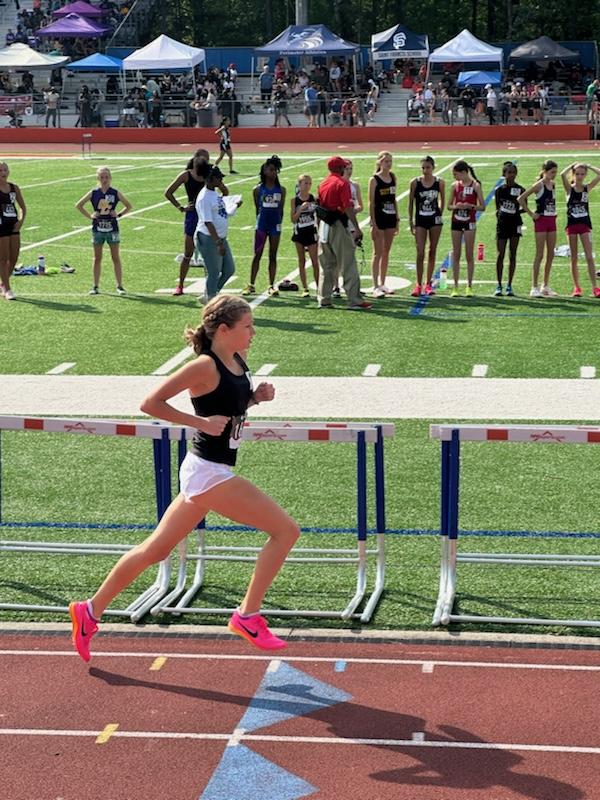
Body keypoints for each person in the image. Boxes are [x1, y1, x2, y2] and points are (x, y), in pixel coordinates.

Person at [69, 295, 300, 661]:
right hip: (208, 472)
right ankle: (247, 616)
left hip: (208, 470)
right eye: (247, 326)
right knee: (286, 531)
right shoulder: (204, 366)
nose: (253, 332)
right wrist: (199, 423)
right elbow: (150, 403)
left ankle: (89, 610)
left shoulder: (238, 359)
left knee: (156, 550)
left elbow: (227, 408)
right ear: (223, 330)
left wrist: (254, 399)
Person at [164, 149, 227, 296]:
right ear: (196, 160)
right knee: (188, 253)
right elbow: (168, 192)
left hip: (207, 217)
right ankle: (180, 285)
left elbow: (225, 191)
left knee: (209, 256)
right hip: (192, 216)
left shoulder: (210, 176)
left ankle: (210, 289)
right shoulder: (186, 175)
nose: (206, 163)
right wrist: (181, 207)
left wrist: (217, 203)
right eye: (204, 160)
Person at [316, 156, 372, 310]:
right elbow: (347, 207)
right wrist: (357, 227)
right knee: (348, 264)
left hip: (324, 226)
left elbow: (319, 205)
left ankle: (324, 299)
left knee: (326, 265)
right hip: (338, 225)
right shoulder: (342, 183)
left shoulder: (323, 183)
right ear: (340, 168)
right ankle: (354, 300)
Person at [75, 166, 133, 295]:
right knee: (97, 258)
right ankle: (95, 286)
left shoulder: (115, 192)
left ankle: (119, 286)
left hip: (112, 228)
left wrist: (118, 214)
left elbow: (128, 206)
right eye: (102, 177)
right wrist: (90, 216)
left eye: (106, 177)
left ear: (110, 178)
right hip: (98, 228)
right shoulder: (94, 192)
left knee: (115, 257)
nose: (104, 179)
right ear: (98, 178)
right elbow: (79, 205)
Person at [195, 166, 242, 302]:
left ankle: (210, 293)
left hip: (220, 238)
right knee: (214, 272)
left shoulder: (214, 193)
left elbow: (222, 209)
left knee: (229, 269)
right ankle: (210, 299)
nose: (221, 180)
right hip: (209, 239)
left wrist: (234, 204)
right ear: (211, 178)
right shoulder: (204, 198)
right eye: (219, 177)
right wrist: (218, 243)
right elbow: (208, 222)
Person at [243, 156, 285, 297]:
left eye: (275, 170)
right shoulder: (257, 189)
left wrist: (278, 224)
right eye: (271, 169)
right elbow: (258, 209)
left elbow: (281, 210)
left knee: (273, 255)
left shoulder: (281, 190)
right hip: (261, 225)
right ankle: (251, 284)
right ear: (264, 171)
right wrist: (260, 221)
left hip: (275, 226)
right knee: (257, 254)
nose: (274, 172)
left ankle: (271, 285)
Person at [518, 159, 559, 297]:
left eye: (555, 172)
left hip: (552, 220)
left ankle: (545, 286)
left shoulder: (553, 184)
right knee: (539, 254)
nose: (554, 174)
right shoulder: (539, 185)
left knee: (551, 254)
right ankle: (534, 287)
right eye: (552, 172)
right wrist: (531, 214)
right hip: (541, 221)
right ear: (545, 171)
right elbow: (521, 198)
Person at [560, 162, 600, 298]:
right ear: (573, 174)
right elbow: (562, 174)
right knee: (574, 258)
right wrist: (572, 165)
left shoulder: (586, 188)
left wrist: (588, 165)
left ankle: (595, 287)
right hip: (572, 226)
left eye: (582, 174)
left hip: (584, 225)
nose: (580, 176)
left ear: (585, 175)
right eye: (577, 174)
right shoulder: (569, 189)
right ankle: (577, 288)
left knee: (589, 257)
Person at [408, 155, 445, 297]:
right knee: (420, 252)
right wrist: (411, 221)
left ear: (433, 167)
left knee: (432, 250)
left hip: (434, 219)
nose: (425, 170)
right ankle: (418, 284)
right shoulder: (415, 183)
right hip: (420, 220)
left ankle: (428, 283)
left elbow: (442, 199)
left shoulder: (439, 182)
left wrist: (439, 213)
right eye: (423, 167)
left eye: (428, 167)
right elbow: (411, 203)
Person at [447, 160, 485, 297]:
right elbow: (449, 206)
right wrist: (456, 206)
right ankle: (455, 287)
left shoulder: (476, 185)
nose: (454, 177)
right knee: (456, 254)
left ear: (463, 172)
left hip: (470, 222)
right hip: (456, 222)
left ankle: (469, 286)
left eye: (456, 174)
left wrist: (471, 206)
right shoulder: (454, 186)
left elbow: (482, 206)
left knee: (469, 254)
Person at [369, 151, 398, 298]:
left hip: (391, 218)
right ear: (379, 162)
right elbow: (372, 203)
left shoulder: (393, 177)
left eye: (390, 161)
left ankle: (383, 283)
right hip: (379, 219)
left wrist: (397, 219)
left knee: (386, 252)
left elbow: (394, 199)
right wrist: (373, 223)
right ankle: (375, 286)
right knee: (377, 252)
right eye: (386, 161)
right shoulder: (374, 180)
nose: (389, 164)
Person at [494, 161, 524, 297]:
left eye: (513, 172)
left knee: (513, 254)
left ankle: (509, 285)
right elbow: (497, 209)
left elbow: (524, 207)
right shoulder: (499, 190)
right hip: (502, 224)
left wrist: (515, 211)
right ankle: (499, 285)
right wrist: (502, 215)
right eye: (509, 172)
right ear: (504, 174)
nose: (511, 175)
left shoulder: (521, 189)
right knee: (500, 254)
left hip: (515, 224)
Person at [0, 162, 25, 301]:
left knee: (14, 258)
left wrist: (20, 221)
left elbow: (22, 207)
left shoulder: (14, 188)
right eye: (0, 170)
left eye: (5, 170)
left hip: (13, 225)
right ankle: (7, 289)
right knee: (3, 259)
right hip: (1, 226)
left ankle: (3, 283)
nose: (3, 173)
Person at [291, 174, 319, 297]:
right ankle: (305, 288)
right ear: (299, 184)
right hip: (299, 233)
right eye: (305, 183)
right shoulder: (294, 200)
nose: (308, 186)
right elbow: (293, 219)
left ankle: (318, 287)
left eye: (309, 183)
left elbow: (318, 215)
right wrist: (301, 209)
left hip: (311, 232)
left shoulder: (313, 198)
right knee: (301, 260)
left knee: (315, 261)